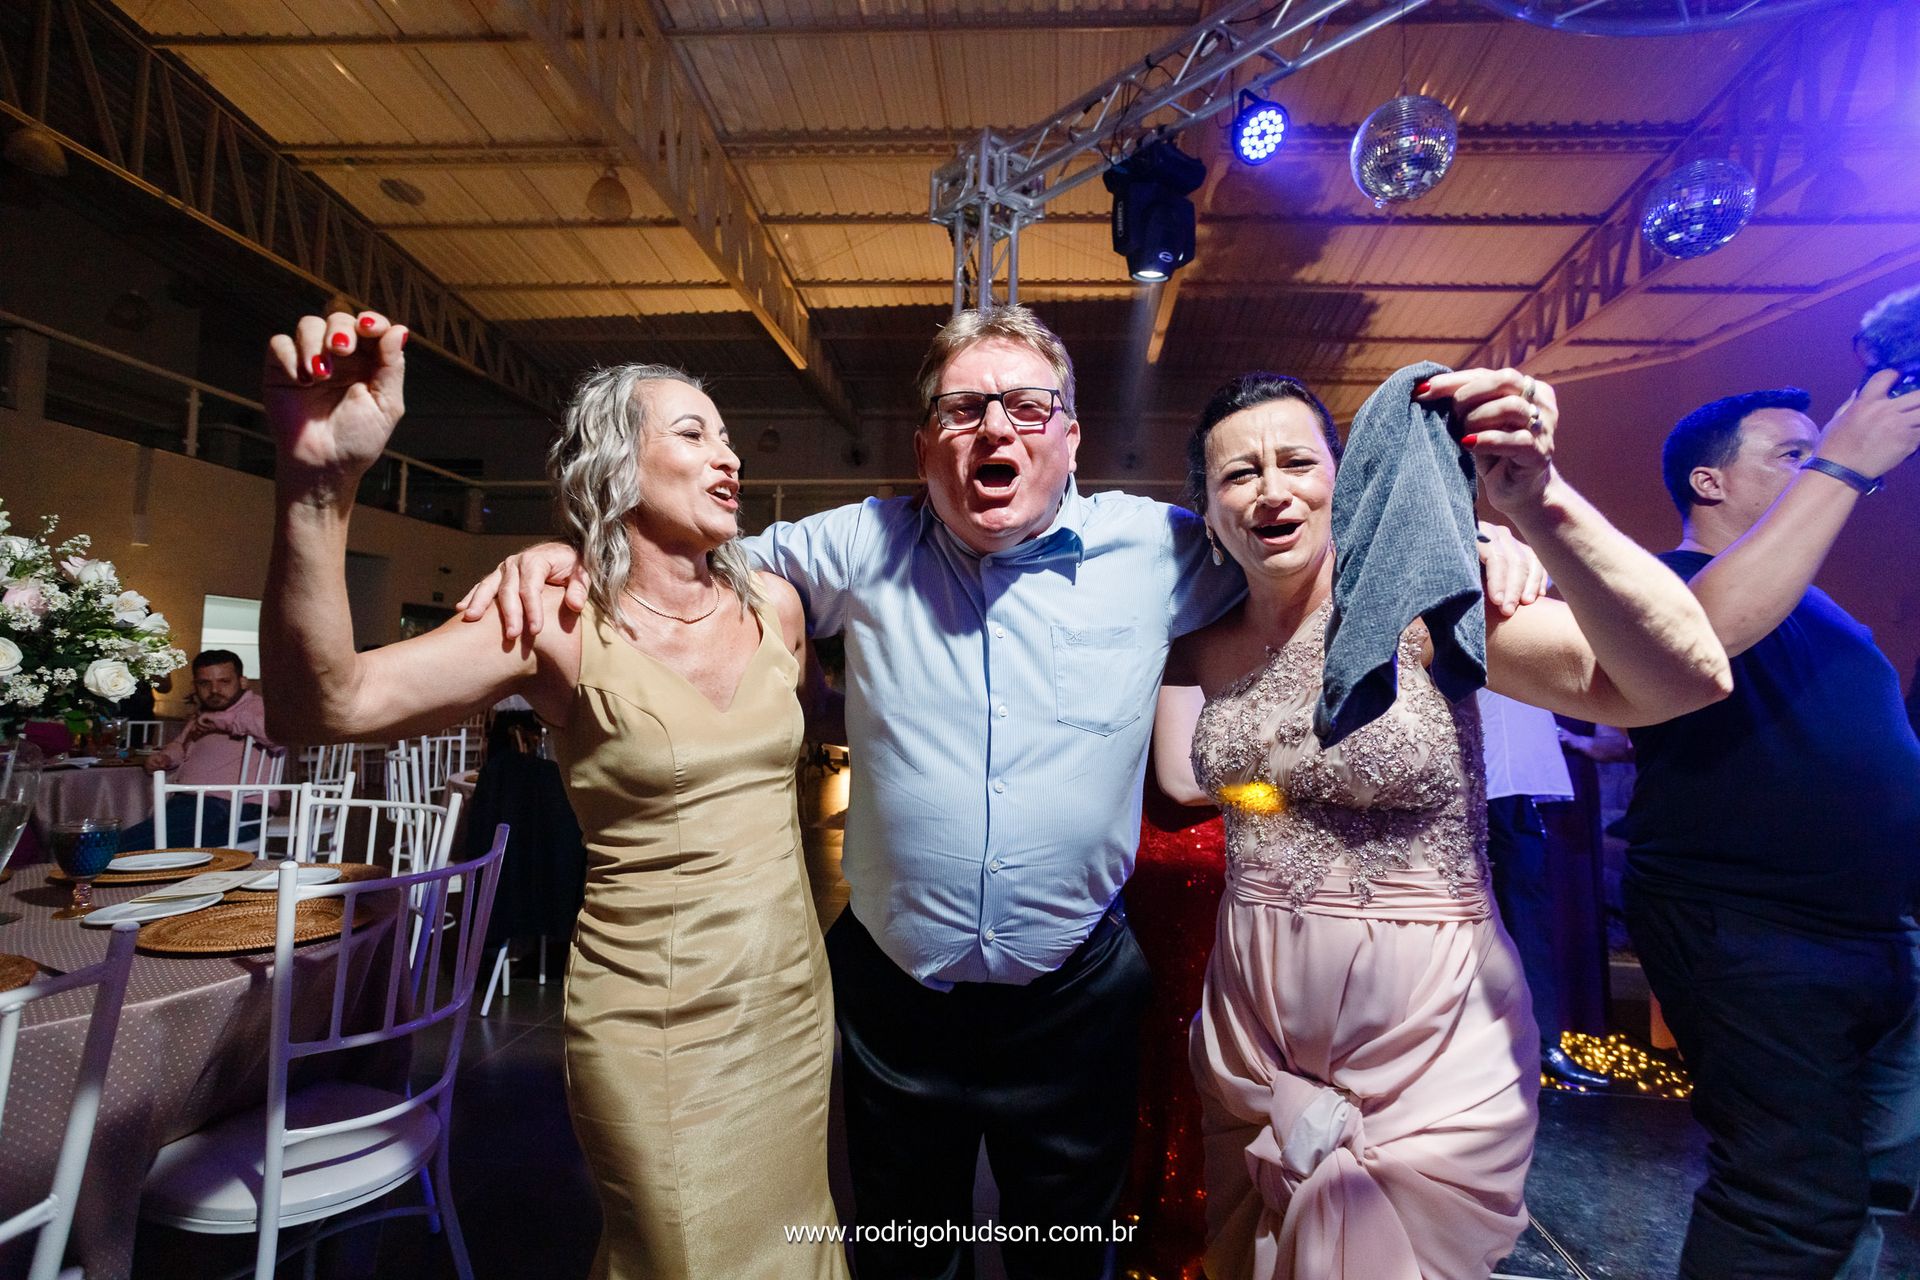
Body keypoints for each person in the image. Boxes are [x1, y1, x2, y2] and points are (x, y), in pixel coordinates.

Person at [463, 309, 1606, 1279]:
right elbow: (692, 562)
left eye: (1024, 404)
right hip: (891, 997)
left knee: (1067, 1256)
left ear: (1070, 434)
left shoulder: (1161, 548)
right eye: (963, 410)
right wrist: (569, 552)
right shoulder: (855, 543)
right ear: (924, 445)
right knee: (907, 1252)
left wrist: (1492, 543)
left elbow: (1302, 557)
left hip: (1073, 998)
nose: (993, 428)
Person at [256, 312, 847, 1280]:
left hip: (788, 1002)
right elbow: (323, 704)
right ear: (616, 466)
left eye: (728, 435)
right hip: (654, 1020)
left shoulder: (772, 606)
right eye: (693, 433)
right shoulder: (557, 619)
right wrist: (318, 492)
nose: (729, 455)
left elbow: (824, 721)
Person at [1152, 370, 1730, 1280]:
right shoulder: (1196, 648)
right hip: (1251, 1030)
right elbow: (1188, 779)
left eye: (1298, 461)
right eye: (1240, 474)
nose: (1273, 489)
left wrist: (1538, 507)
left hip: (1433, 1035)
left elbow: (1687, 679)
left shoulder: (1430, 614)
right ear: (1208, 511)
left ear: (1343, 480)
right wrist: (1284, 790)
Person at [1623, 375, 1920, 1279]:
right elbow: (1699, 639)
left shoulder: (1820, 608)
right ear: (1709, 484)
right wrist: (1842, 462)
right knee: (1787, 1196)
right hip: (1754, 928)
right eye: (1788, 453)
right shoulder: (1660, 582)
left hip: (1874, 930)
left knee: (1864, 1186)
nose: (1810, 466)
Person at [1477, 687, 1612, 1088]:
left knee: (1525, 916)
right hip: (1491, 776)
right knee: (1515, 914)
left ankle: (1536, 1042)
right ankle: (1529, 1044)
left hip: (1507, 779)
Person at [118, 650, 281, 851]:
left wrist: (223, 722)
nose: (214, 690)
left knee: (129, 844)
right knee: (138, 836)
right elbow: (181, 745)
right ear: (195, 686)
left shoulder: (258, 707)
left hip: (234, 809)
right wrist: (166, 757)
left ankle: (87, 859)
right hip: (188, 803)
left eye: (224, 682)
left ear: (243, 681)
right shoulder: (204, 713)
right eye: (205, 683)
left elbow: (279, 738)